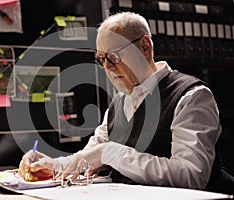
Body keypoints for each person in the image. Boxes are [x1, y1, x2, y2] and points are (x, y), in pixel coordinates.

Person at [18, 12, 234, 194]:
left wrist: (110, 152)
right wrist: (51, 165)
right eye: (101, 59)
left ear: (144, 47)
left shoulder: (192, 96)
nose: (108, 68)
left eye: (113, 56)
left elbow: (191, 176)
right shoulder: (119, 103)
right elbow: (89, 157)